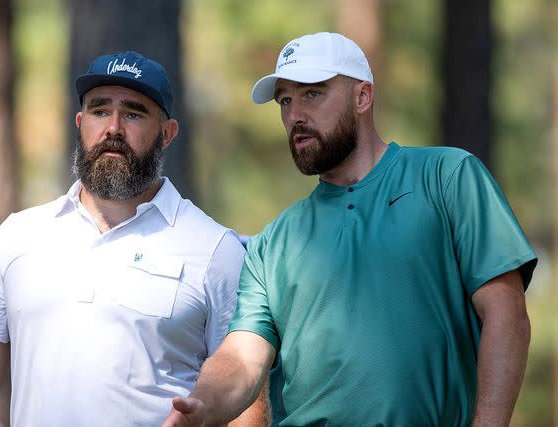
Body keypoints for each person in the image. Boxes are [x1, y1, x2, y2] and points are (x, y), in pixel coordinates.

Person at [164, 32, 538, 426]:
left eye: (313, 94)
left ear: (363, 97)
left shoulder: (448, 177)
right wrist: (204, 404)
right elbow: (242, 357)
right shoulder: (273, 242)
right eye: (285, 100)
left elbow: (506, 314)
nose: (295, 116)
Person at [0, 51, 260, 426]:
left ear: (167, 135)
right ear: (81, 123)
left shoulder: (216, 250)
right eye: (101, 111)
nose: (113, 128)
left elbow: (246, 395)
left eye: (133, 113)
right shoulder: (18, 237)